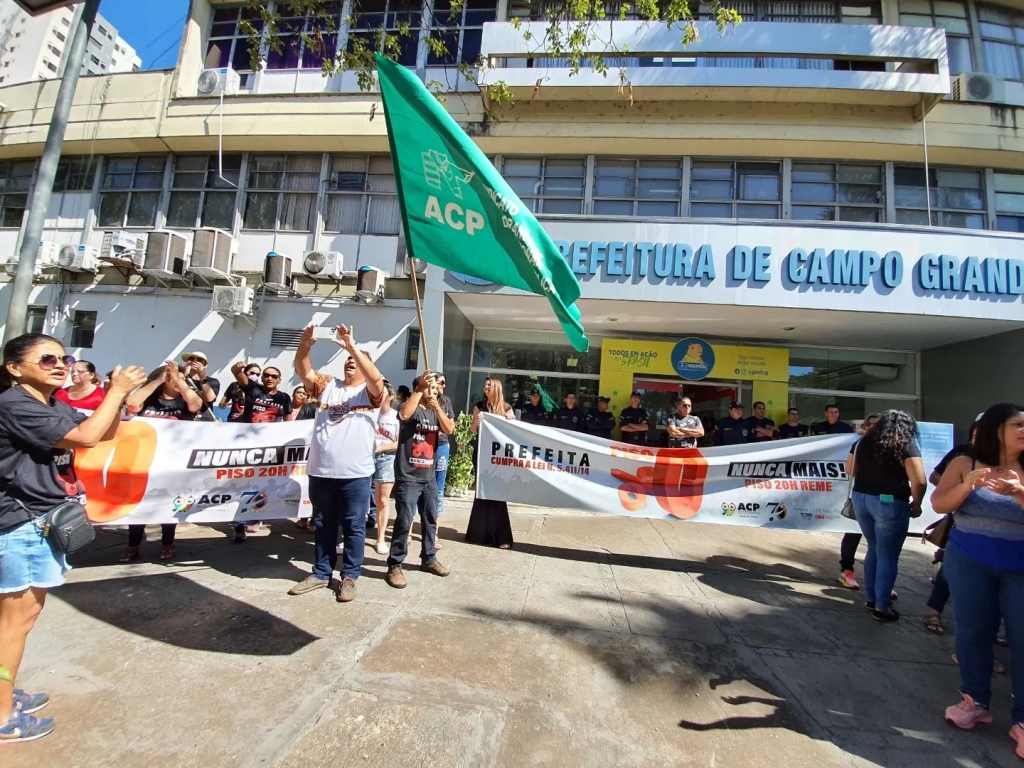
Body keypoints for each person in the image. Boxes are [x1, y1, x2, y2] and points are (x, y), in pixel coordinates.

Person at [0, 334, 145, 744]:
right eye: (47, 359)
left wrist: (120, 400)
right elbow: (82, 439)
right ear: (15, 368)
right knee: (13, 623)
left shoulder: (49, 402)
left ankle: (4, 694)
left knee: (23, 620)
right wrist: (115, 391)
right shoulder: (16, 405)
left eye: (63, 358)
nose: (61, 365)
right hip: (21, 522)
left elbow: (98, 432)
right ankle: (1, 715)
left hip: (40, 519)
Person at [931, 403, 1024, 753]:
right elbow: (940, 504)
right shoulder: (963, 463)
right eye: (1017, 424)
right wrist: (968, 486)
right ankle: (975, 702)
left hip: (1020, 566)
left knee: (1021, 637)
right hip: (969, 561)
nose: (1023, 430)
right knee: (973, 632)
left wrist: (1017, 492)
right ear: (996, 430)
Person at [288, 324, 384, 603]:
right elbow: (303, 371)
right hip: (321, 472)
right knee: (323, 523)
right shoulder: (327, 385)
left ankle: (350, 576)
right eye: (347, 361)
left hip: (355, 475)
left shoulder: (370, 393)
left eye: (356, 361)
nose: (350, 363)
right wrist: (305, 344)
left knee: (354, 526)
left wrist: (352, 346)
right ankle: (321, 573)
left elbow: (376, 379)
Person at [118, 361, 203, 562]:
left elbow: (196, 404)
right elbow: (132, 403)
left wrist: (180, 379)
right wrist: (158, 380)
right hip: (144, 462)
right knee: (138, 506)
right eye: (173, 378)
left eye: (181, 379)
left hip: (173, 465)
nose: (178, 381)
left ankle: (167, 543)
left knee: (168, 506)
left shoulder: (184, 402)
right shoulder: (149, 400)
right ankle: (133, 545)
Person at [847, 410, 926, 622]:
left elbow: (849, 469)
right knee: (888, 555)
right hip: (889, 503)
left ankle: (872, 599)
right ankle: (882, 607)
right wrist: (917, 504)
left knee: (874, 548)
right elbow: (919, 481)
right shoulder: (905, 445)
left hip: (862, 498)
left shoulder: (861, 443)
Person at [385, 372, 454, 589]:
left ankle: (429, 558)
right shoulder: (411, 405)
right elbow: (404, 415)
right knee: (404, 520)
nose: (436, 391)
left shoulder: (435, 409)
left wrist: (437, 406)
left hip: (429, 475)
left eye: (436, 388)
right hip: (409, 475)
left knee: (430, 518)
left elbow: (449, 429)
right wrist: (418, 391)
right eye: (431, 388)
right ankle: (395, 564)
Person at [923, 414, 982, 635]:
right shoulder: (961, 456)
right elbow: (935, 478)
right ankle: (934, 610)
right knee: (950, 570)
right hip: (961, 527)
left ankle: (990, 626)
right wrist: (957, 488)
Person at [228, 363, 292, 541]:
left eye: (273, 376)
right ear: (262, 377)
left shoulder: (284, 398)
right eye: (266, 375)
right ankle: (239, 525)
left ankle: (255, 517)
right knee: (244, 483)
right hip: (247, 445)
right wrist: (238, 367)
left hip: (270, 449)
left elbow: (289, 423)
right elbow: (235, 373)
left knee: (261, 484)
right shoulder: (253, 389)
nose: (269, 378)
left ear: (279, 380)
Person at [465, 377, 516, 549]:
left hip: (500, 457)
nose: (485, 388)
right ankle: (478, 534)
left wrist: (511, 422)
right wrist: (476, 423)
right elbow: (472, 429)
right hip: (482, 454)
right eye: (485, 385)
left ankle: (501, 536)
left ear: (496, 388)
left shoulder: (506, 408)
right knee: (482, 493)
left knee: (498, 495)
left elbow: (515, 432)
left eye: (488, 385)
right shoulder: (480, 406)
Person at [838, 413, 880, 590]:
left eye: (878, 424)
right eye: (870, 424)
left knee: (879, 539)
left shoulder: (893, 445)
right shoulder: (859, 444)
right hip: (862, 495)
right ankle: (847, 571)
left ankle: (881, 578)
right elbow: (849, 469)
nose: (874, 427)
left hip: (883, 499)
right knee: (854, 533)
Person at [371, 384, 399, 555]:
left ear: (390, 397)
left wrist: (380, 448)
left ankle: (380, 538)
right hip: (364, 458)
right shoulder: (369, 414)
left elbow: (400, 442)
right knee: (357, 499)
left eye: (383, 394)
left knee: (382, 499)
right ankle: (349, 538)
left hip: (387, 458)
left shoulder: (396, 418)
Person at [180, 351, 220, 421]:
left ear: (205, 365)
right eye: (192, 358)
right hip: (184, 418)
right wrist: (183, 375)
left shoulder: (213, 381)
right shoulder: (181, 378)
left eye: (199, 359)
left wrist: (202, 377)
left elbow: (210, 399)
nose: (195, 361)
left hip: (204, 420)